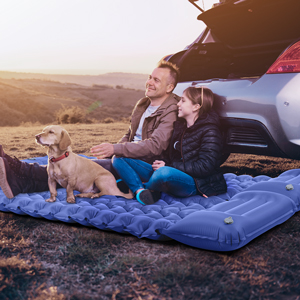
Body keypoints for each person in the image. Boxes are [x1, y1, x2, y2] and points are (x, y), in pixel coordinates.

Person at [0, 60, 180, 199]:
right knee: (74, 166)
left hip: (142, 164)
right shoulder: (143, 103)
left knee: (75, 170)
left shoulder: (171, 111)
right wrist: (112, 150)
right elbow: (130, 135)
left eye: (156, 80)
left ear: (169, 87)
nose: (149, 82)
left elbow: (156, 145)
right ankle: (16, 172)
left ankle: (18, 173)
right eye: (150, 77)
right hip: (124, 158)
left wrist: (115, 150)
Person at [112, 86, 227, 205]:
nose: (178, 104)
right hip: (171, 172)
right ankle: (139, 190)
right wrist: (161, 163)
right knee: (119, 157)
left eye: (183, 100)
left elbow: (204, 167)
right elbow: (171, 155)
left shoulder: (210, 131)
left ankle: (138, 186)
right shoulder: (180, 127)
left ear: (196, 106)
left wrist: (168, 166)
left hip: (196, 182)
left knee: (163, 173)